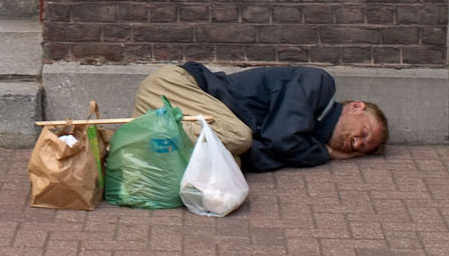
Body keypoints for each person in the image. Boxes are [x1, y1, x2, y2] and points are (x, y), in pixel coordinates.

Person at [132, 62, 388, 173]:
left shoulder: (306, 137)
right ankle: (147, 136)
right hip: (174, 87)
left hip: (182, 109)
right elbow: (280, 139)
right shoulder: (318, 84)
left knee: (233, 160)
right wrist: (326, 154)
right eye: (364, 133)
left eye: (362, 149)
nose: (356, 143)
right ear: (356, 106)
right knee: (239, 138)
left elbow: (256, 158)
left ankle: (142, 142)